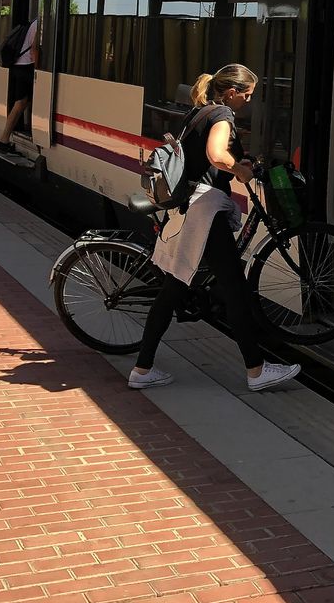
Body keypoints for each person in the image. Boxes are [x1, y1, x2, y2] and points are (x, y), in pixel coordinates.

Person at [129, 64, 301, 394]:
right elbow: (215, 154)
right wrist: (240, 170)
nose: (248, 102)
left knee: (174, 290)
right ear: (232, 92)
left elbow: (201, 159)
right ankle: (256, 370)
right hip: (205, 214)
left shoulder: (200, 111)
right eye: (247, 95)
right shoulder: (222, 113)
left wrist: (239, 163)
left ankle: (142, 368)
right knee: (235, 290)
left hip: (191, 209)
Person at [0, 15, 38, 153]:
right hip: (26, 66)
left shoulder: (34, 22)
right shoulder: (40, 24)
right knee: (21, 102)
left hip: (19, 65)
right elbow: (34, 49)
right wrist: (39, 71)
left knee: (22, 102)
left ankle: (4, 139)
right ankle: (3, 140)